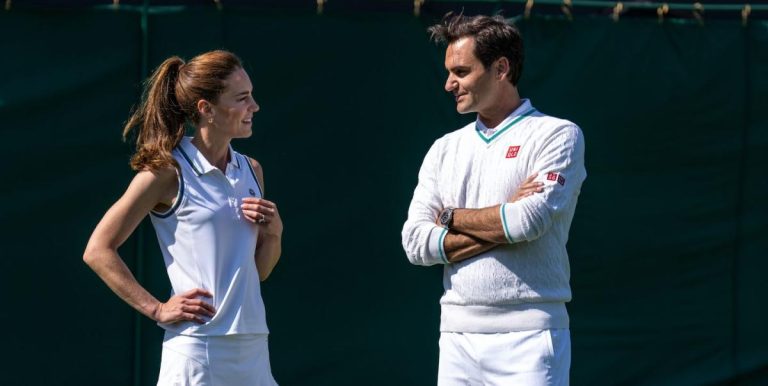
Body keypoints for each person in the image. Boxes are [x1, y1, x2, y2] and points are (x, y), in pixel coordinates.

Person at [401, 14, 586, 386]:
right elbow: (415, 243)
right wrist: (502, 219)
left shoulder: (559, 135)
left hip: (532, 337)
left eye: (461, 71)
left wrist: (449, 217)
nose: (449, 83)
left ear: (500, 68)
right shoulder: (443, 149)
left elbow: (527, 223)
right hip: (456, 338)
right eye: (449, 72)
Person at [83, 50, 282, 386]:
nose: (255, 107)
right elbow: (97, 249)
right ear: (206, 109)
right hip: (196, 352)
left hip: (253, 348)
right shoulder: (166, 173)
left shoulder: (252, 170)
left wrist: (274, 234)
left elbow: (259, 271)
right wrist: (157, 309)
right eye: (242, 98)